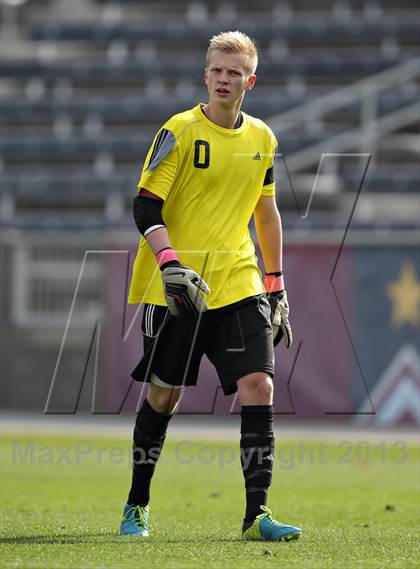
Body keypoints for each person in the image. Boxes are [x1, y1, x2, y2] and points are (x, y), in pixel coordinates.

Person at [119, 30, 301, 542]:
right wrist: (171, 263)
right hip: (175, 286)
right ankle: (136, 505)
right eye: (217, 70)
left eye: (234, 72)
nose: (224, 79)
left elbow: (266, 212)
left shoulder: (263, 138)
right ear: (206, 74)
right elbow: (145, 206)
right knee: (163, 397)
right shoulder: (178, 130)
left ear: (251, 81)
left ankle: (256, 516)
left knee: (259, 385)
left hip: (238, 280)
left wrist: (276, 284)